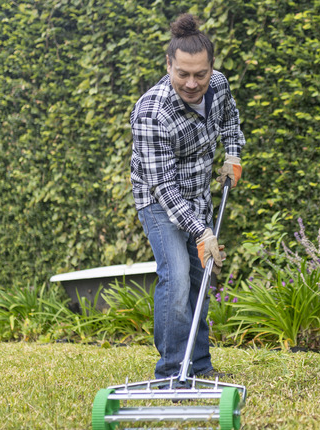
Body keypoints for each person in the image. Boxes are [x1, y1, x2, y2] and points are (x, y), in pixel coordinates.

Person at [130, 13, 245, 380]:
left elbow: (230, 119)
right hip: (158, 201)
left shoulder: (219, 86)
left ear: (211, 68)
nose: (192, 83)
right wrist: (202, 231)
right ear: (169, 65)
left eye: (201, 74)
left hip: (197, 196)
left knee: (200, 278)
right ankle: (170, 371)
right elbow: (163, 186)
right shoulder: (152, 112)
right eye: (183, 74)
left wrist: (232, 154)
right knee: (177, 279)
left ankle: (198, 365)